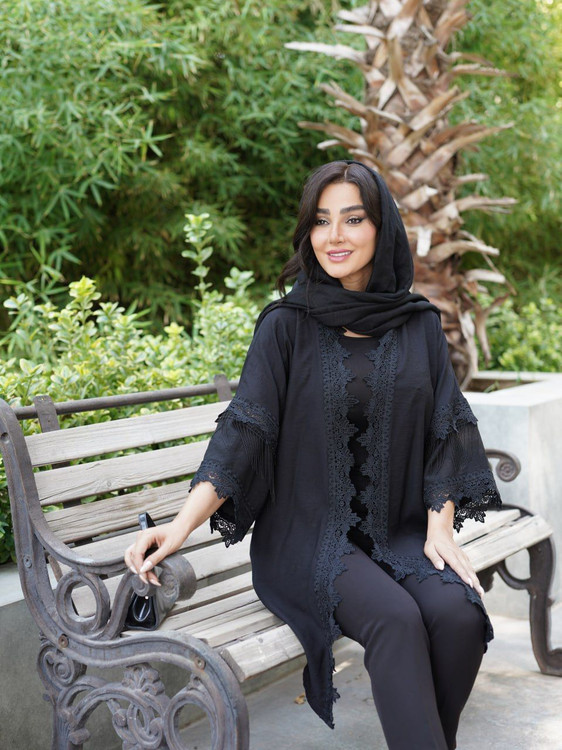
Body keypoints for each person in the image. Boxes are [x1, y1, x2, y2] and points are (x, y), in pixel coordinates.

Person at [125, 160, 502, 750]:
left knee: (458, 614)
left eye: (353, 219)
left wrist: (440, 525)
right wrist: (178, 528)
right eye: (322, 221)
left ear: (382, 228)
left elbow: (446, 429)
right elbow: (244, 434)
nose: (334, 237)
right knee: (397, 620)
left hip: (397, 531)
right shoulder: (285, 326)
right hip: (306, 539)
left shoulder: (419, 325)